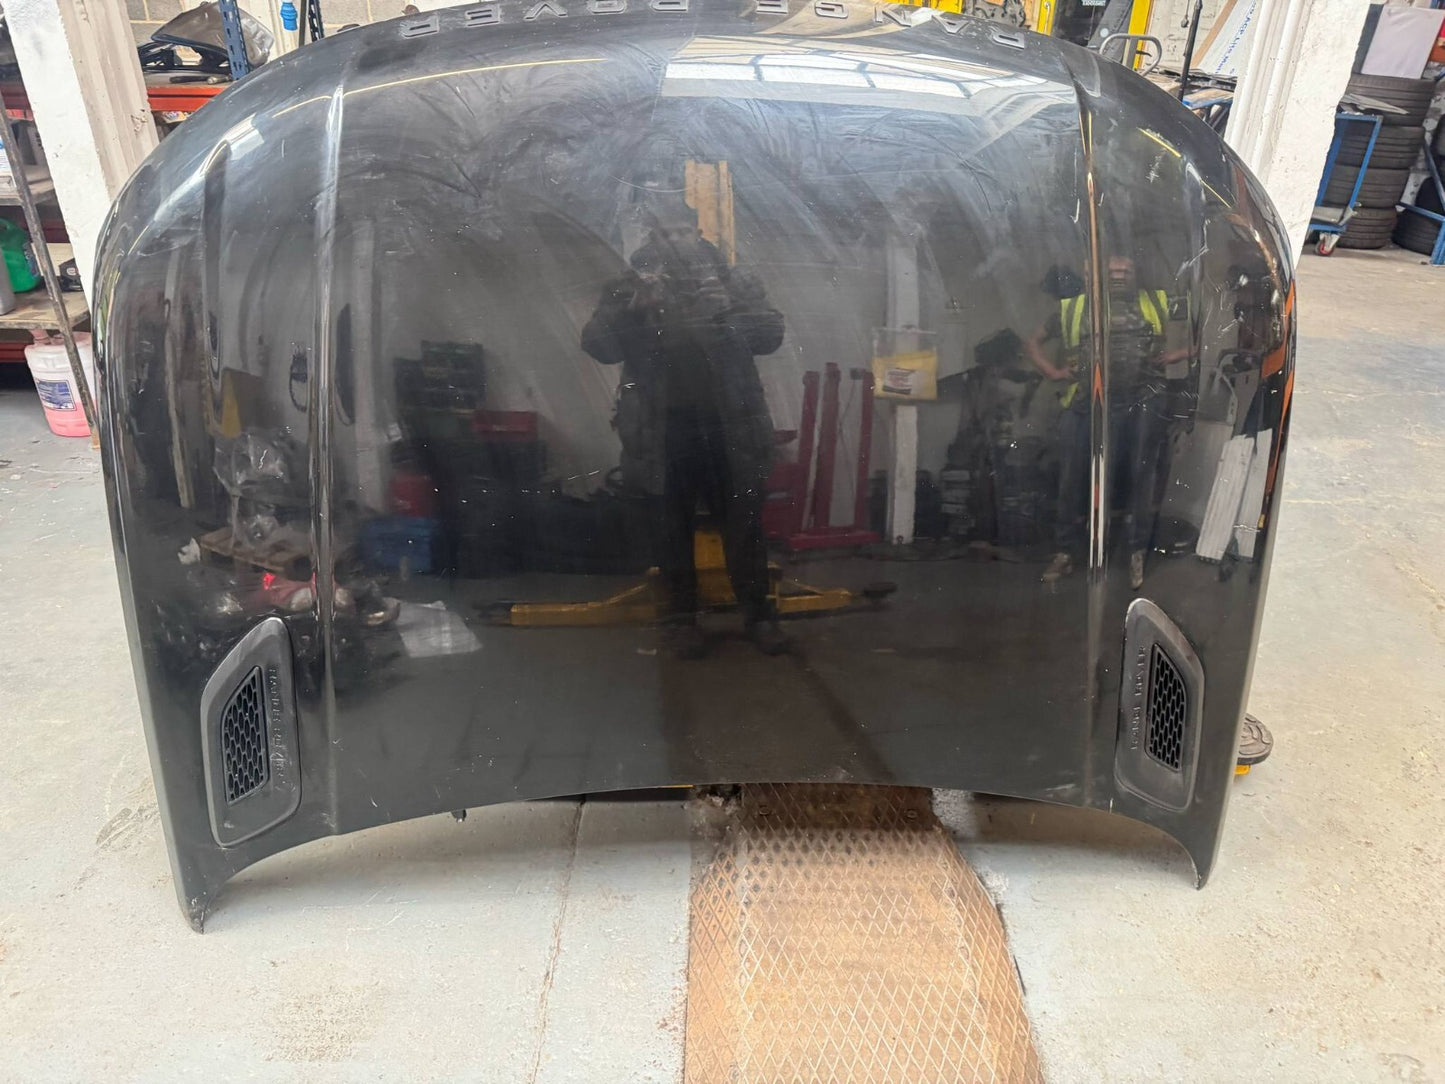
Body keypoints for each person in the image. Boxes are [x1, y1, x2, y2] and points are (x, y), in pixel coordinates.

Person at [581, 204, 788, 658]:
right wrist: (632, 311)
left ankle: (759, 616)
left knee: (744, 527)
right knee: (670, 530)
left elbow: (771, 334)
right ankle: (680, 621)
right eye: (665, 233)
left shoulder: (733, 281)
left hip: (729, 428)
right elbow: (597, 346)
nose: (675, 240)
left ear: (698, 232)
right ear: (652, 238)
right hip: (663, 432)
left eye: (682, 231)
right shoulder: (628, 286)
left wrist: (728, 310)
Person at [1026, 257, 1188, 589]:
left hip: (1142, 399)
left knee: (1140, 475)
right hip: (1086, 400)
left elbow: (1204, 326)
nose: (1118, 277)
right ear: (1096, 276)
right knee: (1071, 476)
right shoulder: (1073, 308)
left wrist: (1182, 353)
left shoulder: (1156, 300)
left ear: (1135, 274)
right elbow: (1032, 342)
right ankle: (1065, 552)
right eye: (1111, 272)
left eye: (1125, 271)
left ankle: (1136, 551)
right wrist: (1053, 372)